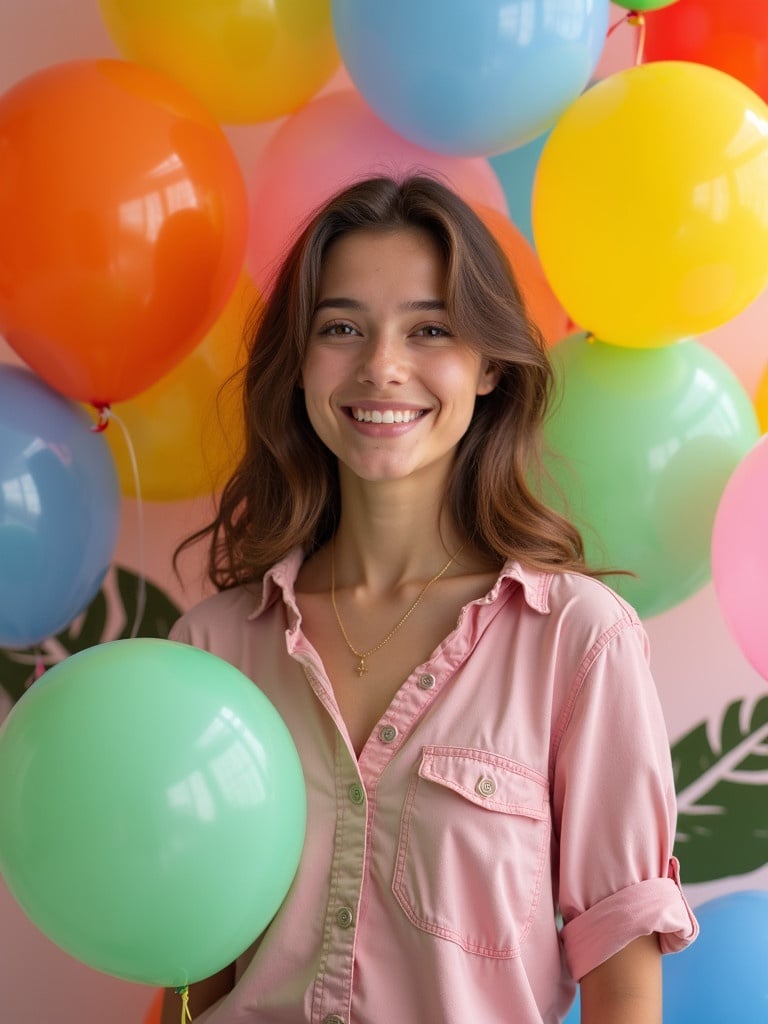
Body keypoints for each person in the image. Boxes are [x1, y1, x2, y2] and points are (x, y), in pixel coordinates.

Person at [164, 174, 697, 1024]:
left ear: (487, 367)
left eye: (430, 330)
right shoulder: (212, 650)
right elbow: (191, 966)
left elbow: (623, 981)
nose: (382, 365)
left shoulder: (576, 640)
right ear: (299, 365)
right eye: (341, 327)